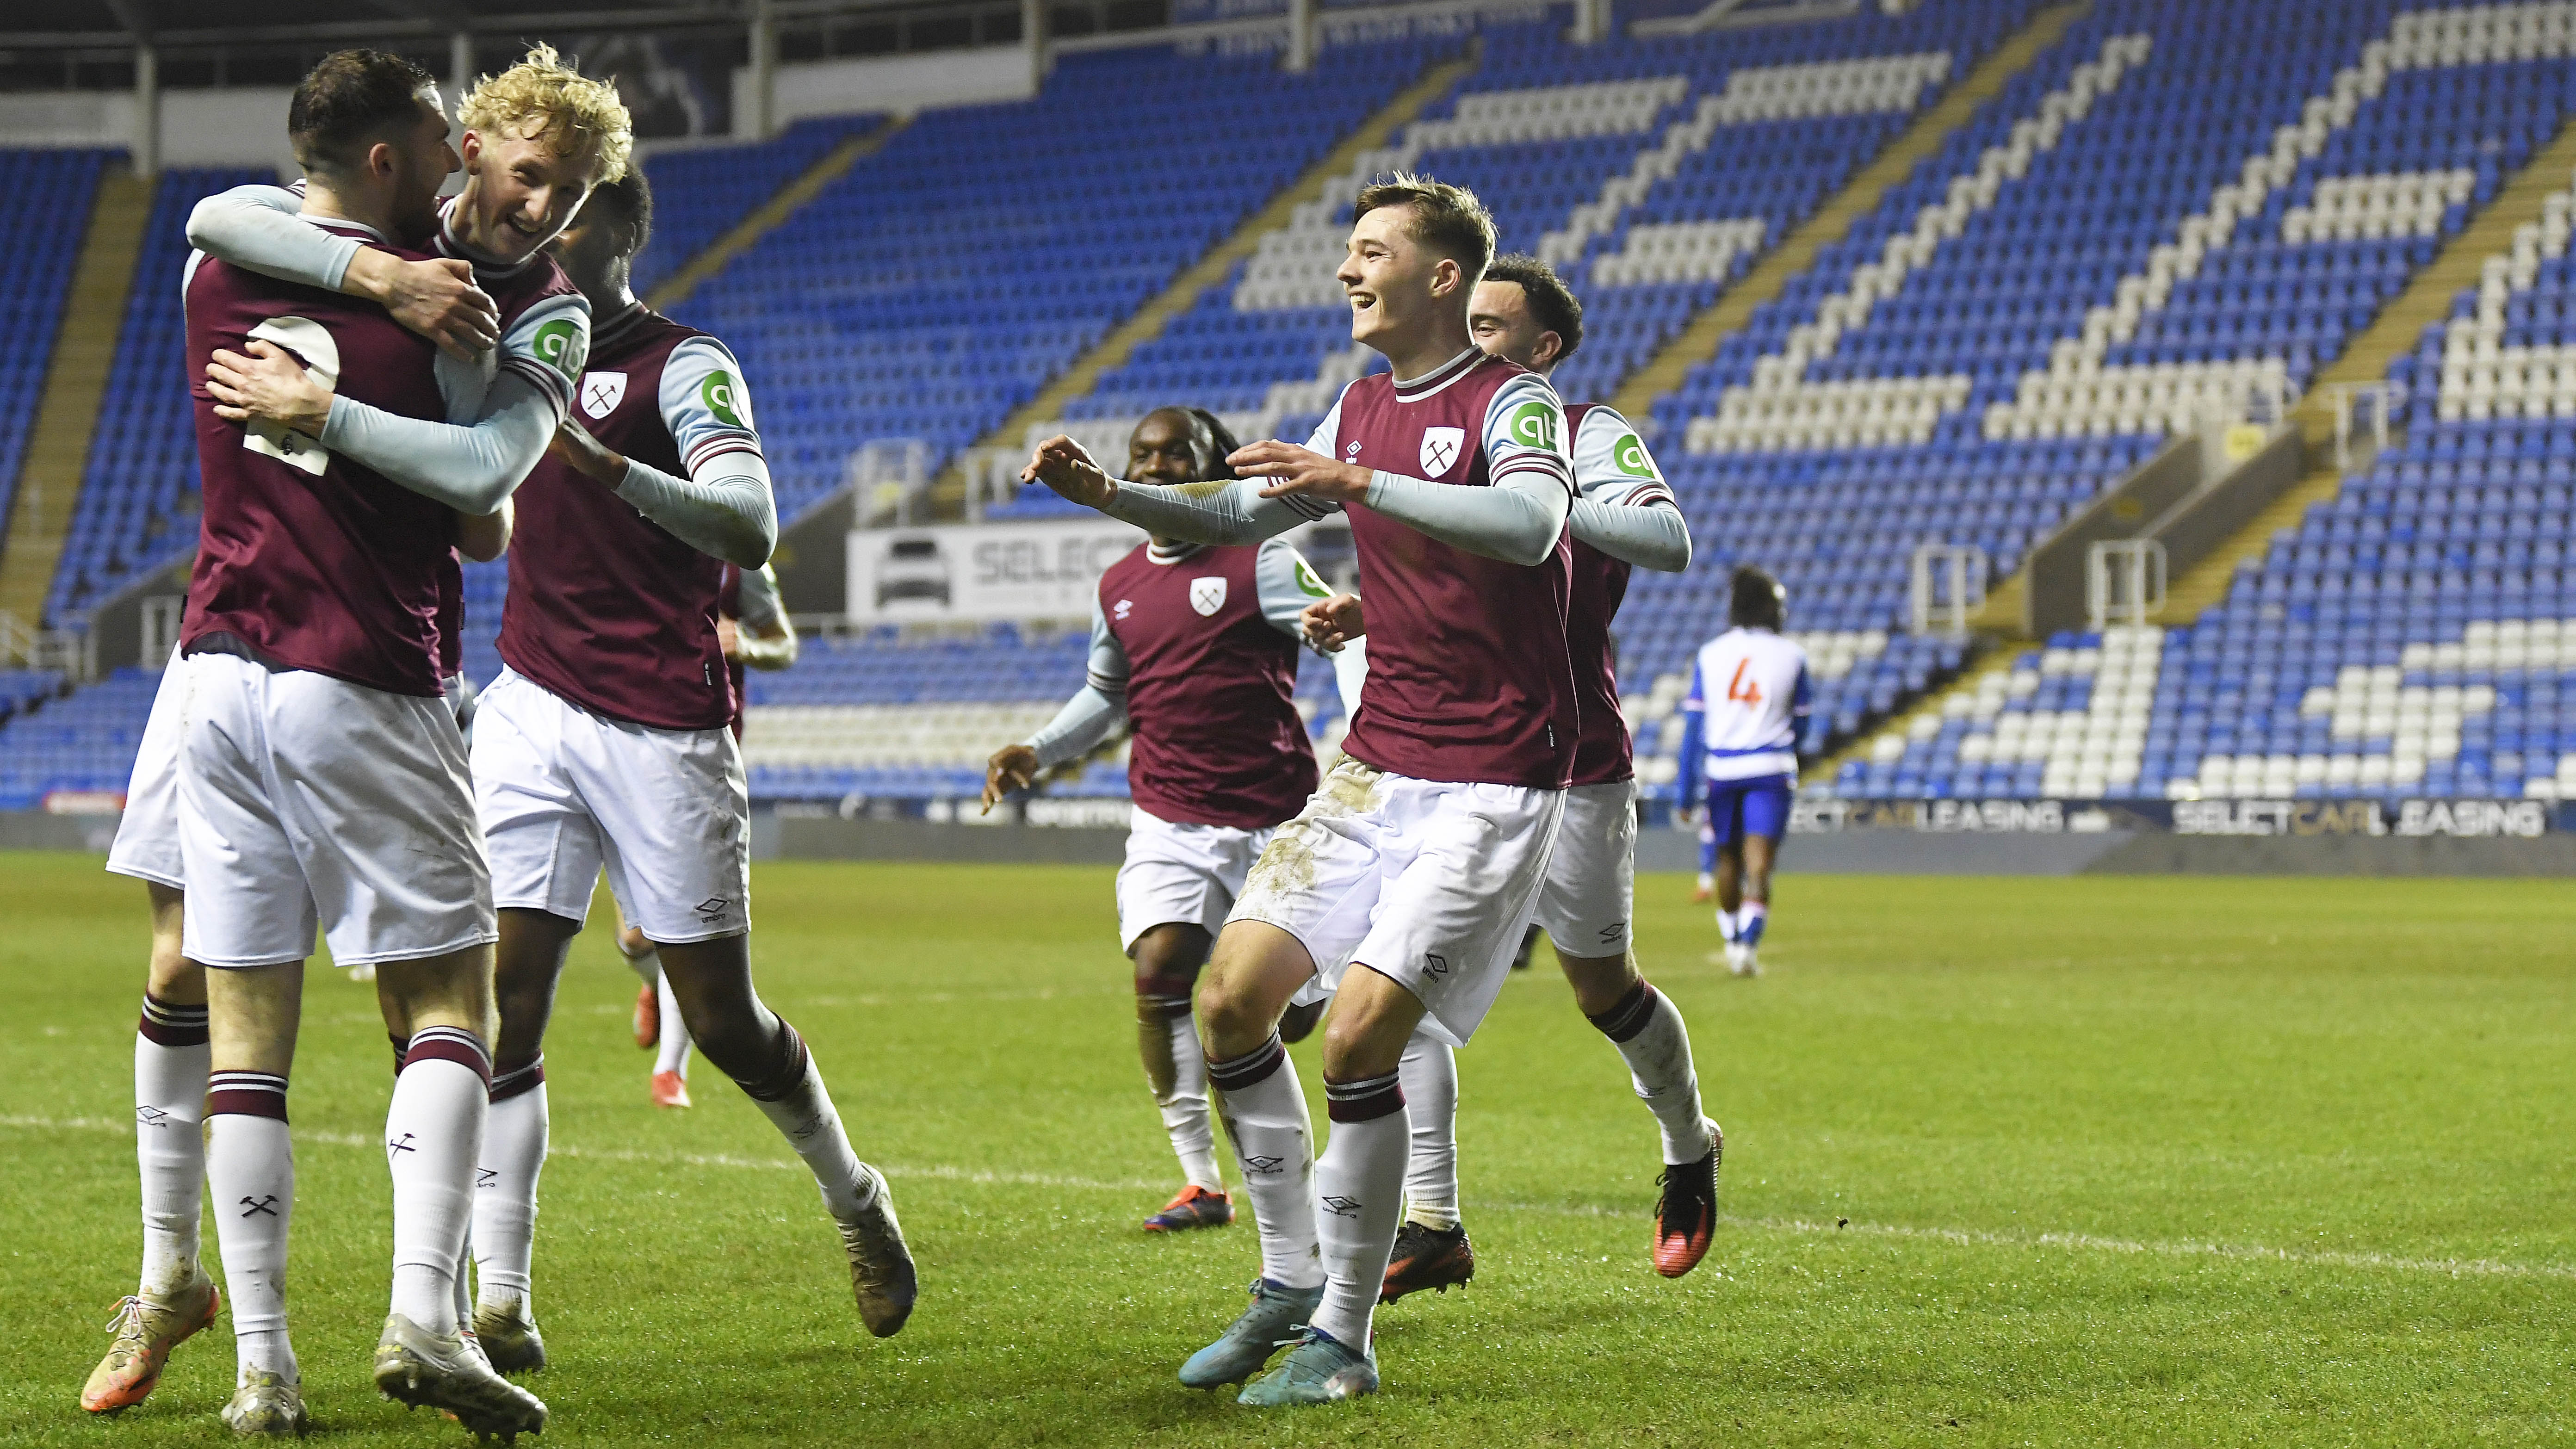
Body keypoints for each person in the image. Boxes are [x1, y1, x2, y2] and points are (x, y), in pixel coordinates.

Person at [1022, 172, 1576, 1406]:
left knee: (1366, 1032)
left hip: (1492, 778)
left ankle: (1343, 1337)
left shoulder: (1515, 401)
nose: (1347, 270)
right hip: (1376, 767)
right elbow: (1235, 505)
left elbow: (1536, 525)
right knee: (1228, 1001)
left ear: (1443, 276)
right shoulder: (1358, 404)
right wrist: (1110, 496)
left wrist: (1360, 487)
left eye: (1372, 250)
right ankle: (1284, 1277)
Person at [173, 47, 601, 1438]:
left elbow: (217, 221)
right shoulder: (430, 306)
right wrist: (368, 354)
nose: (535, 206)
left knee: (246, 1029)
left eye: (568, 191)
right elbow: (476, 480)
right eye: (515, 166)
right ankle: (424, 1316)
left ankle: (261, 1372)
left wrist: (339, 387)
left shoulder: (236, 266)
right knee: (448, 1003)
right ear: (443, 145)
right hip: (361, 669)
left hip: (215, 681)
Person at [1303, 253, 1721, 1298]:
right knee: (1392, 988)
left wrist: (1532, 502)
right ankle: (1433, 1221)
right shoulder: (1427, 429)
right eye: (1468, 322)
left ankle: (1686, 1143)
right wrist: (1370, 609)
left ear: (1543, 350)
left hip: (1570, 762)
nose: (1473, 340)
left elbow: (1666, 538)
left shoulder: (1583, 432)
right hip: (1442, 763)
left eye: (1496, 329)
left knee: (1602, 989)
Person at [82, 515, 502, 1418]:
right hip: (227, 633)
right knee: (179, 962)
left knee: (418, 986)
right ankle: (174, 1278)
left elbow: (486, 516)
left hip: (380, 630)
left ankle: (444, 1307)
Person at [982, 406, 1341, 1236]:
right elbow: (1108, 693)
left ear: (1215, 466)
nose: (1155, 466)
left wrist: (1337, 636)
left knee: (1284, 1014)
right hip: (1169, 818)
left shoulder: (1263, 558)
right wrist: (1038, 748)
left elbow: (1336, 634)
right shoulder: (1119, 583)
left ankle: (1281, 1146)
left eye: (1175, 453)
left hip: (1274, 821)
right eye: (1142, 454)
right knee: (1160, 970)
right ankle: (1200, 1180)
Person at [628, 559, 796, 1109]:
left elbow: (785, 646)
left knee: (678, 922)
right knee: (634, 937)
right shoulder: (622, 530)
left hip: (701, 746)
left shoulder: (739, 557)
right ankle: (655, 985)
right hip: (620, 739)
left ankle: (669, 1072)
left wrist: (746, 644)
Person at [1677, 565, 1811, 977]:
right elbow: (1802, 724)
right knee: (1760, 861)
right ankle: (1747, 947)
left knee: (1725, 858)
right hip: (1771, 767)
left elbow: (1695, 731)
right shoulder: (1792, 655)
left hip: (1723, 769)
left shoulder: (1711, 653)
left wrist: (1685, 790)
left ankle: (1732, 937)